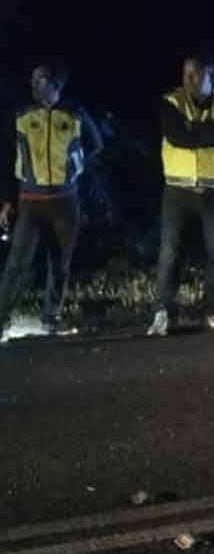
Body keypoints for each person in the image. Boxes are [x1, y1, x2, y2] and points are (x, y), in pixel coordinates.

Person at [0, 60, 103, 344]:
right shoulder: (21, 114)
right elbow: (7, 158)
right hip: (29, 200)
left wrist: (74, 166)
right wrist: (6, 200)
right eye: (33, 80)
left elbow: (96, 144)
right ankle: (1, 320)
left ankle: (50, 319)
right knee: (17, 264)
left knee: (59, 264)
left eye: (41, 79)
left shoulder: (75, 114)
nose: (34, 85)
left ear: (56, 84)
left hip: (64, 201)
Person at [147, 51, 214, 336]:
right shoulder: (171, 102)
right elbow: (177, 136)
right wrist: (210, 133)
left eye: (194, 74)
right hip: (178, 190)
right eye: (185, 74)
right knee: (170, 252)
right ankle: (162, 312)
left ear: (210, 76)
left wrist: (194, 130)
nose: (187, 80)